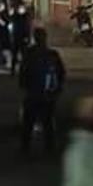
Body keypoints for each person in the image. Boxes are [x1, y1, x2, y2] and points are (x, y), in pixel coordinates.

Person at [17, 28, 66, 157]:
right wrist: (57, 89)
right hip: (48, 94)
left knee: (28, 122)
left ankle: (25, 147)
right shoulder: (52, 54)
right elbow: (61, 73)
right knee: (48, 121)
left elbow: (23, 73)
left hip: (33, 93)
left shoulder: (29, 53)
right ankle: (49, 148)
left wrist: (24, 87)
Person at [10, 0, 32, 76]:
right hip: (18, 36)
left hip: (21, 37)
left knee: (21, 55)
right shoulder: (16, 14)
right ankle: (15, 70)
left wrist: (28, 37)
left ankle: (22, 70)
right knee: (17, 55)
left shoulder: (24, 14)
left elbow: (28, 26)